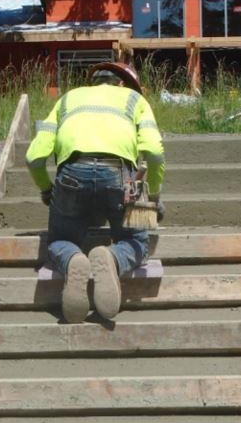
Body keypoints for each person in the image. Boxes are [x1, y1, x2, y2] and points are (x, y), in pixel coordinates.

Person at [25, 62, 166, 323]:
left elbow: (34, 157)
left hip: (71, 176)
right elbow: (155, 154)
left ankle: (73, 259)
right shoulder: (134, 100)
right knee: (137, 240)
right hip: (121, 178)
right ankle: (112, 257)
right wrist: (154, 196)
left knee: (58, 241)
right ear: (123, 85)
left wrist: (47, 189)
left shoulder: (68, 99)